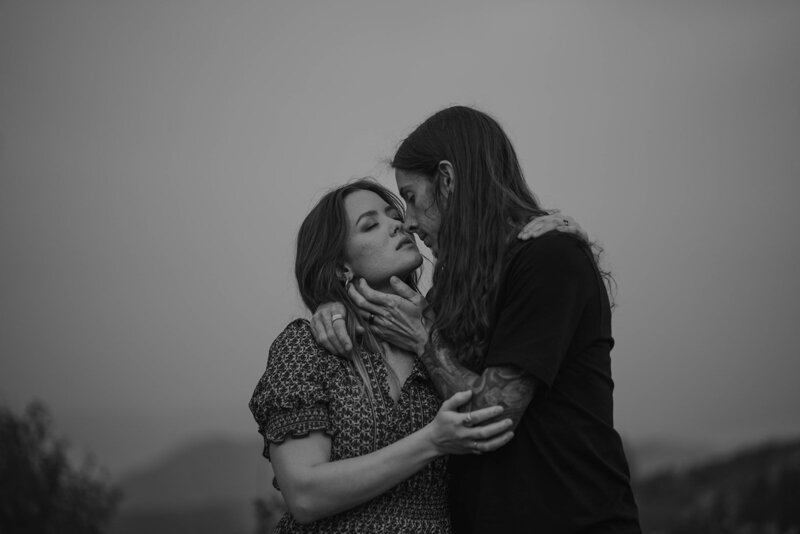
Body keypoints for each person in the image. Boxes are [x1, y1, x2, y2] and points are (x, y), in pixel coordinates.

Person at [311, 106, 641, 533]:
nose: (408, 222)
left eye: (410, 198)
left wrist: (425, 340)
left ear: (447, 180)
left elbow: (492, 415)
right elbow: (392, 323)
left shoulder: (549, 257)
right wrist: (332, 305)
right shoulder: (455, 283)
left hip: (575, 520)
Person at [248, 179, 519, 533]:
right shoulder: (309, 347)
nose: (399, 225)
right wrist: (432, 441)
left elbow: (499, 413)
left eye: (394, 216)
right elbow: (304, 495)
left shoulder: (445, 338)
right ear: (341, 268)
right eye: (370, 225)